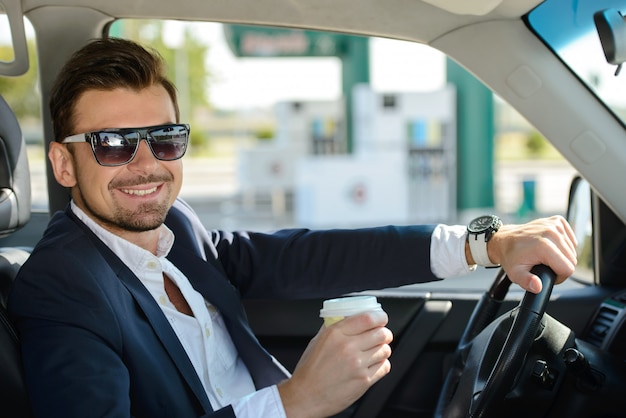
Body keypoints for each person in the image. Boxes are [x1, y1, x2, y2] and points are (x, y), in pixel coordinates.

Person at [8, 38, 577, 418]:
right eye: (112, 144)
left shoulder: (176, 228)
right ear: (63, 163)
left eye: (164, 138)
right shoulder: (62, 284)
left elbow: (310, 256)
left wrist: (485, 244)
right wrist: (293, 402)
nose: (146, 164)